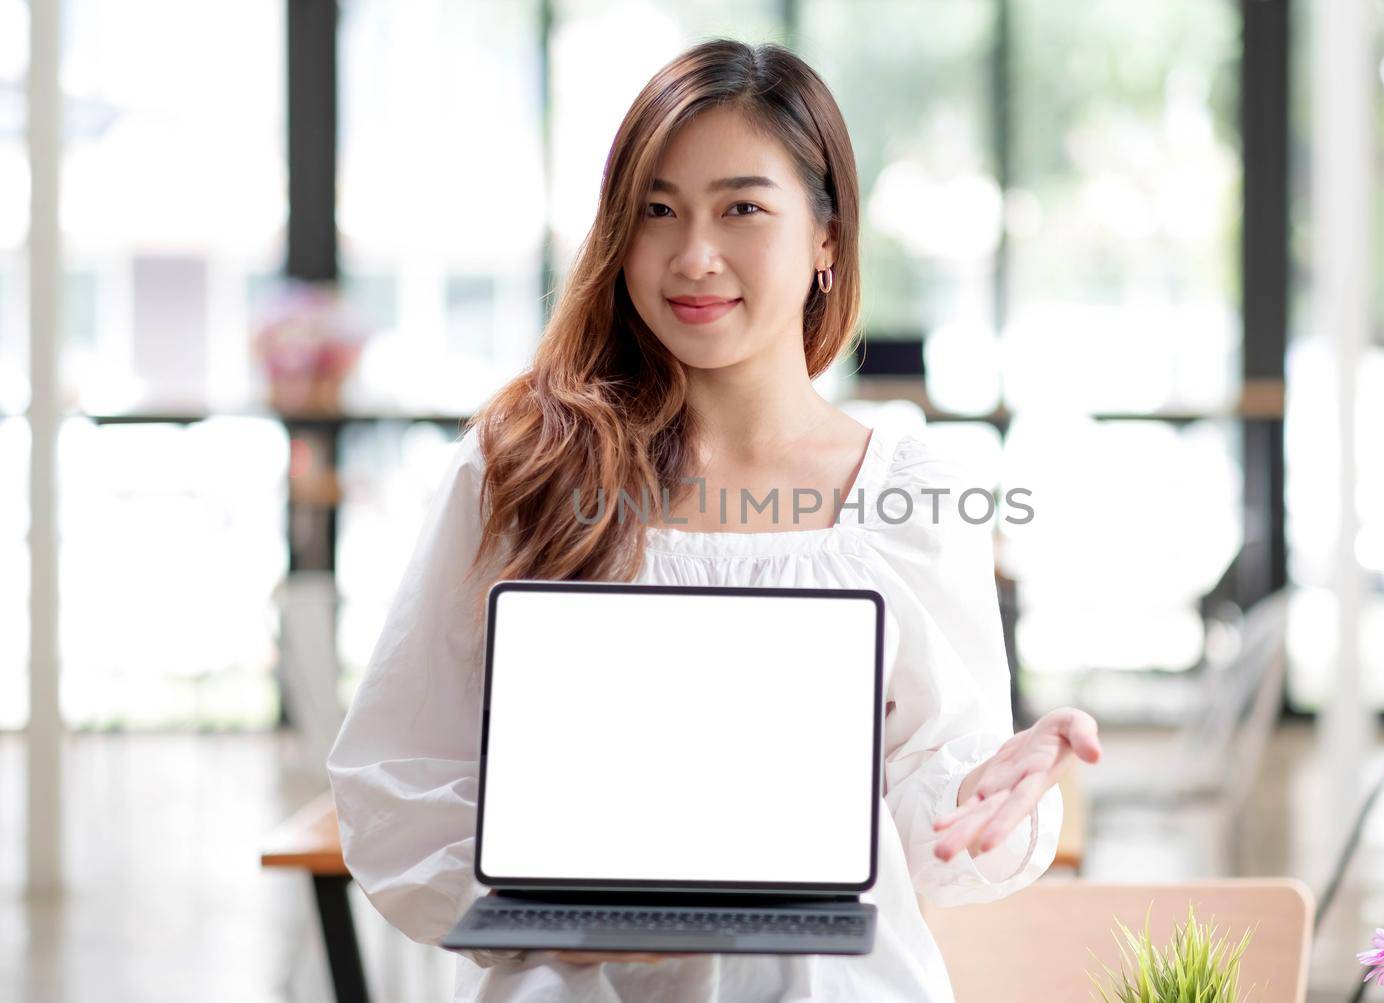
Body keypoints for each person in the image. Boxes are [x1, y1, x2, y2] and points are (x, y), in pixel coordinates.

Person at [326, 37, 1102, 1003]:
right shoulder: (516, 471)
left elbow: (926, 824)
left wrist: (991, 795)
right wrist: (543, 903)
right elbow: (393, 771)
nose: (694, 256)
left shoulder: (916, 491)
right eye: (658, 211)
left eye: (742, 207)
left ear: (826, 238)